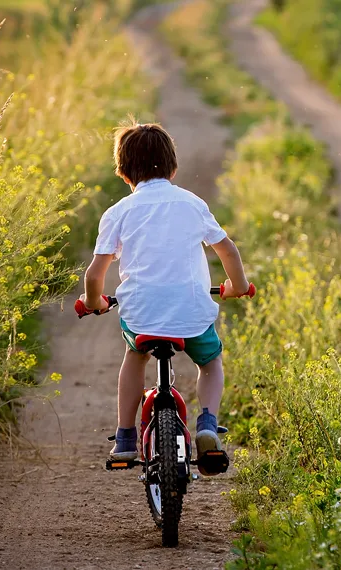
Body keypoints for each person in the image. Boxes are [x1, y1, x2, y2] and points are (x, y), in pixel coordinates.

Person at [78, 122, 250, 467]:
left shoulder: (118, 213)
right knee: (211, 362)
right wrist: (238, 287)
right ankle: (208, 423)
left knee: (135, 357)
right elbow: (227, 251)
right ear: (173, 168)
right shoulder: (191, 203)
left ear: (123, 174)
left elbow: (95, 274)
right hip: (193, 314)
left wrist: (95, 301)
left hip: (141, 315)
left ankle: (125, 436)